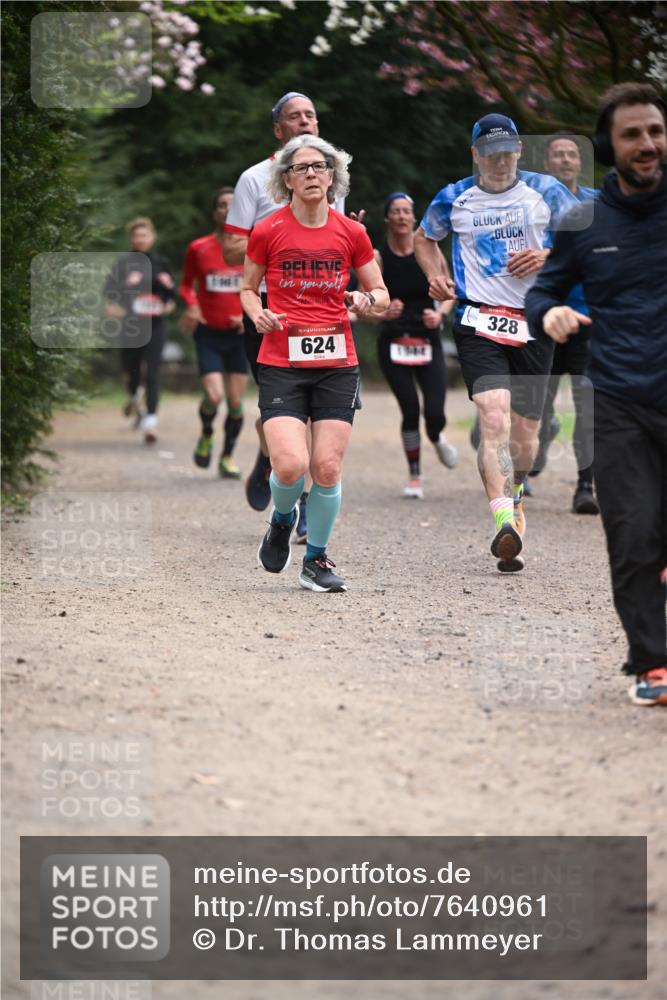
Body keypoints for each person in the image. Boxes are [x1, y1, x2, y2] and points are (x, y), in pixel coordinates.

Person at [525, 82, 667, 707]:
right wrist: (550, 310)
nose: (647, 143)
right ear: (610, 145)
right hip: (618, 397)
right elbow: (540, 292)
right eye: (633, 133)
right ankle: (653, 661)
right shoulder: (583, 222)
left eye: (656, 131)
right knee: (633, 534)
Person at [414, 114, 577, 572]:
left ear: (520, 149)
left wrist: (548, 254)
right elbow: (425, 239)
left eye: (506, 152)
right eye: (490, 153)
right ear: (475, 154)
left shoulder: (547, 192)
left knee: (527, 439)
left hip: (534, 322)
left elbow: (586, 244)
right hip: (477, 319)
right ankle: (503, 520)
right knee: (494, 416)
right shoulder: (454, 198)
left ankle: (516, 493)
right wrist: (436, 275)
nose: (500, 162)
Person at [240, 135, 388, 592]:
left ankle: (316, 561)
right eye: (300, 168)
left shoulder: (352, 233)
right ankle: (282, 520)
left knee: (325, 468)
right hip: (281, 360)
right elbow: (248, 288)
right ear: (286, 179)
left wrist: (367, 301)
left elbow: (381, 296)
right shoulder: (267, 230)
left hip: (336, 362)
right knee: (288, 465)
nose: (310, 173)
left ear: (332, 177)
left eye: (319, 166)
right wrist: (257, 312)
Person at [224, 92, 346, 539]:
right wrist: (281, 231)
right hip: (269, 313)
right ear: (279, 130)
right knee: (286, 410)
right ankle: (272, 456)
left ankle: (309, 500)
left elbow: (342, 243)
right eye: (294, 117)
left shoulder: (333, 176)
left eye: (311, 115)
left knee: (321, 412)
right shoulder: (254, 179)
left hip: (321, 313)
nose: (305, 122)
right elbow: (231, 246)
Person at [528, 134, 600, 515]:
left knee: (587, 403)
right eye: (559, 154)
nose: (567, 159)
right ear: (548, 164)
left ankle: (585, 486)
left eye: (573, 154)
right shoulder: (533, 204)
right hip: (546, 316)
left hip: (587, 315)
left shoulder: (596, 202)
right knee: (539, 399)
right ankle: (536, 446)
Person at [373, 191, 458, 499]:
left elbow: (450, 292)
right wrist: (383, 309)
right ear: (387, 218)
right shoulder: (378, 257)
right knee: (410, 409)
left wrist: (440, 313)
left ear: (413, 217)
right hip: (393, 340)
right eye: (395, 211)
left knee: (434, 412)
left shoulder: (430, 252)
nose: (401, 216)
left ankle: (436, 437)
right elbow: (367, 301)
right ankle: (415, 475)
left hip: (428, 338)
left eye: (406, 211)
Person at [179, 187, 247, 478]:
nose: (227, 210)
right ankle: (207, 433)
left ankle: (228, 456)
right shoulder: (199, 248)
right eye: (222, 205)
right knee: (215, 396)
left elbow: (261, 288)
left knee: (234, 401)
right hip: (208, 333)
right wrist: (192, 305)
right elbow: (185, 285)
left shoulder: (252, 248)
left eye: (233, 206)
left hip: (240, 335)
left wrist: (249, 314)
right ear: (215, 212)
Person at [104, 217, 175, 444]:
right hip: (132, 326)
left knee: (152, 371)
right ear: (131, 239)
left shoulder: (162, 263)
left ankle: (151, 422)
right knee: (132, 370)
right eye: (137, 235)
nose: (141, 239)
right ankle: (134, 397)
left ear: (152, 238)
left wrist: (164, 308)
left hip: (155, 325)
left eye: (145, 235)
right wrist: (121, 311)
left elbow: (172, 300)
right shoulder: (123, 264)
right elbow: (109, 296)